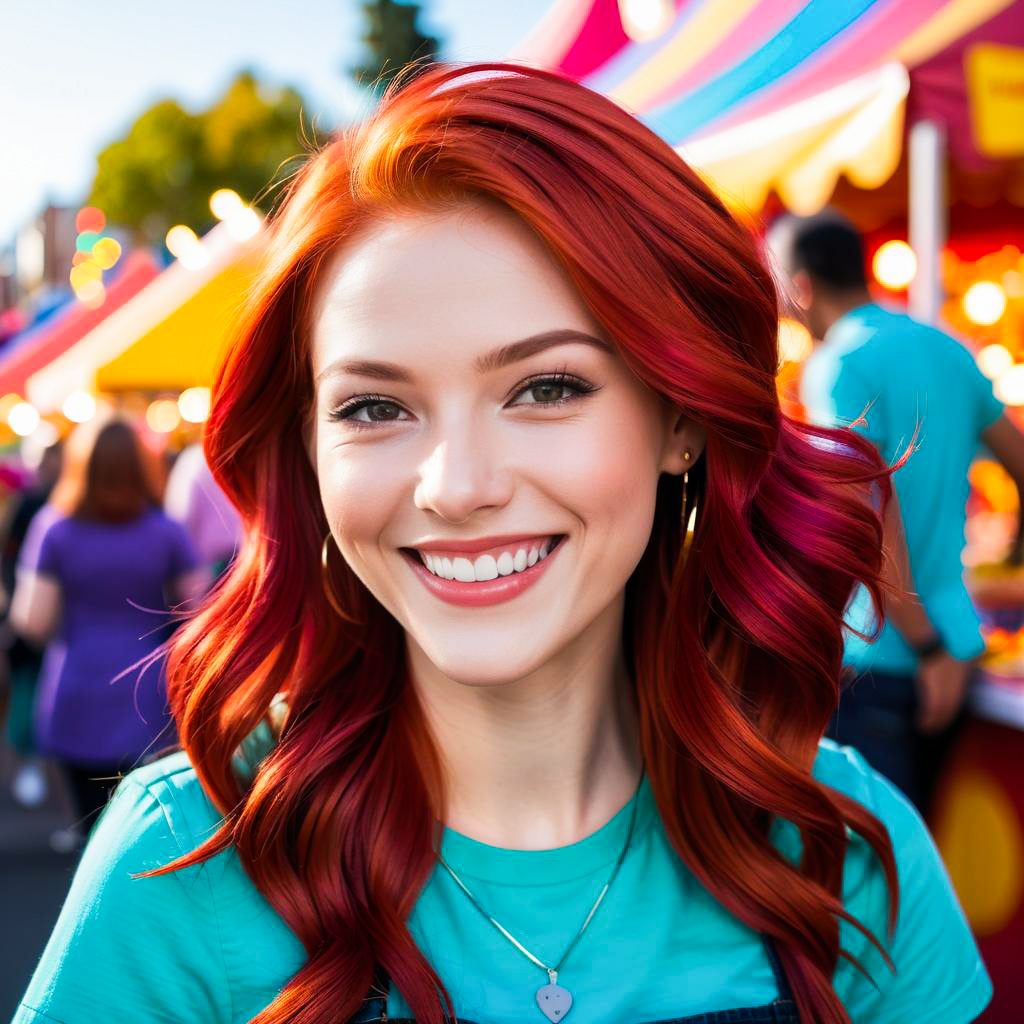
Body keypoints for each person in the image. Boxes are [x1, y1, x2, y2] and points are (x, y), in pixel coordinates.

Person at [15, 64, 990, 1024]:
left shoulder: (847, 848)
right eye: (375, 406)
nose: (459, 486)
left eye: (546, 388)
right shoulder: (181, 863)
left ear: (680, 419)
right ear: (308, 450)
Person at [767, 210, 1024, 818]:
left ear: (802, 287)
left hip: (885, 653)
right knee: (915, 857)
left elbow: (864, 510)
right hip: (954, 642)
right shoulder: (949, 349)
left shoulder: (841, 363)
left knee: (869, 874)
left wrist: (924, 643)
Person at [8, 415, 209, 840]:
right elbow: (198, 607)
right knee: (145, 825)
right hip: (148, 686)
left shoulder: (55, 528)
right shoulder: (165, 532)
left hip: (76, 678)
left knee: (88, 825)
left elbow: (32, 620)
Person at [0, 440, 62, 807]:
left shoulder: (59, 513)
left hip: (46, 619)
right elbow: (11, 558)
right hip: (33, 616)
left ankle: (35, 764)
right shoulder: (38, 509)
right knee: (27, 689)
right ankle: (28, 761)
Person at [164, 440, 242, 580]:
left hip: (208, 570)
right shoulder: (239, 454)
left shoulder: (192, 461)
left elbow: (179, 516)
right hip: (244, 559)